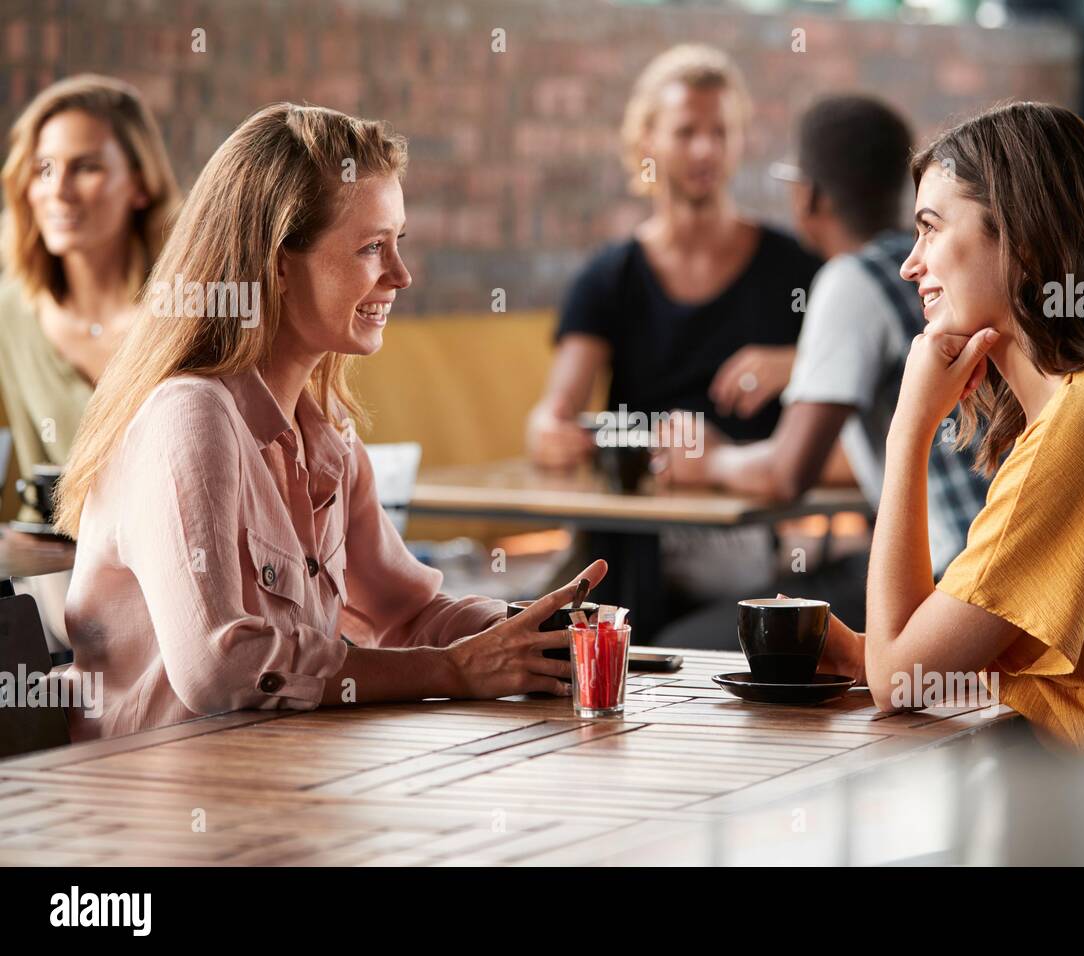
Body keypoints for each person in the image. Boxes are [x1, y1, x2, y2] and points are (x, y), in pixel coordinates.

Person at [53, 103, 607, 741]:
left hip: (275, 787)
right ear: (279, 264)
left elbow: (407, 612)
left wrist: (538, 630)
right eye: (372, 247)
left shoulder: (329, 436)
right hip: (145, 805)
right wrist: (452, 670)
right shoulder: (191, 415)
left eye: (399, 243)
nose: (401, 275)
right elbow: (217, 666)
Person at [812, 102, 1084, 755]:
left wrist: (910, 427)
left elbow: (898, 683)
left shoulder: (1082, 426)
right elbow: (931, 659)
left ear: (1022, 240)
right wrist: (867, 654)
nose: (911, 265)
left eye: (931, 229)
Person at [653, 94, 988, 644]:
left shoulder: (850, 280)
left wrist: (711, 460)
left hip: (948, 578)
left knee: (679, 644)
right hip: (992, 570)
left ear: (809, 194)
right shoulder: (934, 268)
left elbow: (789, 473)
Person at [524, 44, 821, 639]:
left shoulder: (793, 269)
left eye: (720, 131)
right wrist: (555, 433)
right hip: (633, 522)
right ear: (647, 143)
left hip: (736, 521)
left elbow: (859, 379)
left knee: (576, 606)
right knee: (538, 605)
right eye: (686, 132)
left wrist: (797, 363)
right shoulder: (608, 277)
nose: (705, 149)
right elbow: (550, 419)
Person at [0, 74, 181, 524]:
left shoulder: (188, 313)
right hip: (56, 569)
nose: (58, 191)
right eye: (44, 168)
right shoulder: (11, 313)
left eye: (86, 167)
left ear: (140, 185)